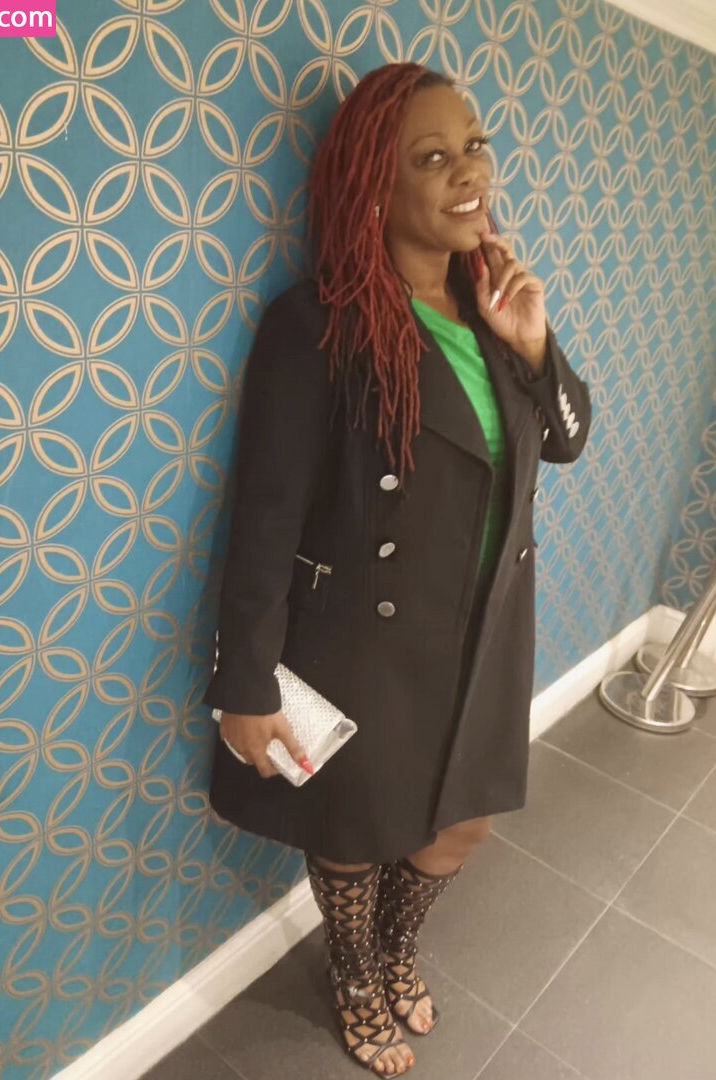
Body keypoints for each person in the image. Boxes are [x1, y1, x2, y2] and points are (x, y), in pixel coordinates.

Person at [203, 62, 591, 1076]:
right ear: (373, 187)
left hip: (487, 627)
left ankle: (393, 945)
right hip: (367, 641)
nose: (469, 171)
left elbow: (565, 439)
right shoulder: (317, 325)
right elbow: (265, 516)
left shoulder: (491, 306)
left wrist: (535, 345)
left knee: (461, 826)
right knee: (356, 828)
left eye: (474, 145)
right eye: (432, 156)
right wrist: (244, 682)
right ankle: (354, 974)